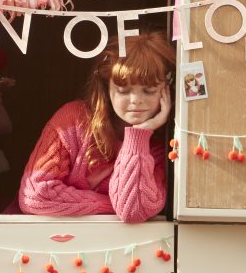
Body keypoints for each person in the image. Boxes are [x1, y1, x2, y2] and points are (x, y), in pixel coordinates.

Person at [16, 31, 174, 222]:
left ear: (166, 89)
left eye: (149, 91)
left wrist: (139, 136)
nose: (136, 100)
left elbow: (134, 212)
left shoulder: (165, 144)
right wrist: (112, 205)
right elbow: (36, 195)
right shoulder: (72, 120)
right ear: (107, 88)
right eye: (123, 91)